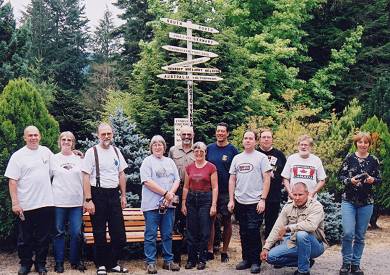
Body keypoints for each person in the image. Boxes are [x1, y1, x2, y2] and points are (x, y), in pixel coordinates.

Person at [5, 126, 54, 275]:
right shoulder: (18, 156)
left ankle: (40, 264)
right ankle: (25, 264)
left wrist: (75, 155)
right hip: (25, 205)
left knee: (43, 238)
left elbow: (59, 165)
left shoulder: (47, 152)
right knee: (24, 239)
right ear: (24, 138)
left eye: (35, 135)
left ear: (40, 136)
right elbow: (12, 181)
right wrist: (15, 203)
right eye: (30, 135)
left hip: (46, 203)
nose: (33, 138)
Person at [82, 123, 128, 275]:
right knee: (99, 231)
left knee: (119, 233)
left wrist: (123, 195)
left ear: (112, 134)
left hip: (114, 194)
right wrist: (88, 200)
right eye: (103, 134)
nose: (106, 137)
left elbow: (121, 174)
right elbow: (85, 176)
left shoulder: (116, 151)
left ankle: (113, 263)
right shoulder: (92, 152)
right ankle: (101, 264)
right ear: (98, 135)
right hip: (97, 194)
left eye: (109, 133)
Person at [228, 130, 272, 274]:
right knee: (243, 232)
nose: (247, 140)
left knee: (253, 231)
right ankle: (246, 259)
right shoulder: (237, 158)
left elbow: (267, 179)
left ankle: (255, 261)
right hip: (240, 201)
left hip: (256, 201)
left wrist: (263, 199)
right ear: (242, 141)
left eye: (250, 138)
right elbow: (232, 179)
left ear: (255, 141)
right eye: (245, 138)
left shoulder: (262, 158)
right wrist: (231, 199)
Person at [338, 132, 381, 275]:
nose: (363, 144)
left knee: (360, 235)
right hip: (348, 200)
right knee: (348, 232)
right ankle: (345, 263)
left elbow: (379, 180)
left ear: (369, 144)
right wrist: (349, 181)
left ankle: (355, 265)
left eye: (366, 142)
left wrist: (372, 180)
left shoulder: (374, 160)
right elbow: (340, 176)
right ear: (356, 143)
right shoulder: (349, 158)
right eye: (360, 142)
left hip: (366, 202)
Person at [260, 182, 327, 275]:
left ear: (307, 194)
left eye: (300, 195)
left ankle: (303, 271)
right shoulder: (288, 206)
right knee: (270, 257)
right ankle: (305, 262)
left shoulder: (316, 206)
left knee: (302, 234)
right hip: (294, 243)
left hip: (315, 245)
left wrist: (288, 228)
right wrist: (266, 248)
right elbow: (277, 227)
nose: (297, 198)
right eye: (294, 195)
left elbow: (311, 226)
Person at [140, 135, 181, 274]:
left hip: (168, 205)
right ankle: (150, 262)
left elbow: (177, 179)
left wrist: (170, 195)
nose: (158, 147)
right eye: (155, 144)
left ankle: (168, 261)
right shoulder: (147, 162)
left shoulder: (170, 161)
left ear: (164, 147)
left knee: (167, 234)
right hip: (151, 206)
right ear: (151, 147)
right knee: (151, 234)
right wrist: (165, 193)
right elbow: (147, 181)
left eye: (160, 144)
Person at [51, 131, 86, 273]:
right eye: (63, 139)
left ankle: (75, 261)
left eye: (69, 140)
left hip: (76, 204)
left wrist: (85, 200)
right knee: (58, 233)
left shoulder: (80, 159)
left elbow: (85, 181)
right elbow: (46, 179)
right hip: (58, 202)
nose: (66, 142)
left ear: (73, 143)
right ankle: (59, 263)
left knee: (76, 233)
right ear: (59, 142)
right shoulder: (52, 159)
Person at [181, 142, 218, 270]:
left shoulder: (211, 167)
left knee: (204, 231)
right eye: (196, 151)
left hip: (205, 200)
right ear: (193, 152)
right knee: (191, 231)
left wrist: (213, 205)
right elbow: (185, 187)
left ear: (205, 152)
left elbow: (215, 188)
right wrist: (183, 203)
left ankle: (202, 260)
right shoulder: (189, 168)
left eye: (201, 150)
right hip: (191, 199)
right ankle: (191, 259)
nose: (198, 153)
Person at [206, 122, 239, 262]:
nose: (220, 133)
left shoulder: (233, 151)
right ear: (215, 133)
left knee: (227, 221)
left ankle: (224, 251)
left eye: (223, 131)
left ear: (227, 133)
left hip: (226, 192)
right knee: (210, 220)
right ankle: (209, 250)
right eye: (218, 131)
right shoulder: (209, 148)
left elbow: (237, 173)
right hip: (210, 191)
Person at [168, 126, 195, 264]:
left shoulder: (197, 151)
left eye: (188, 134)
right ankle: (175, 256)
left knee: (190, 223)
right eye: (183, 134)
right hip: (176, 189)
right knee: (174, 221)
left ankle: (191, 257)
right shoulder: (173, 150)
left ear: (192, 135)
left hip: (192, 190)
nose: (186, 136)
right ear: (180, 135)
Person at [258, 128, 286, 239]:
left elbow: (285, 174)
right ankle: (256, 249)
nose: (266, 139)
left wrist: (274, 176)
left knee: (271, 223)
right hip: (257, 195)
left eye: (268, 137)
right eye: (263, 137)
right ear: (259, 139)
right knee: (255, 224)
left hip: (274, 195)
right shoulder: (255, 153)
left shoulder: (279, 155)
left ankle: (268, 249)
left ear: (272, 139)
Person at [281, 134, 326, 200]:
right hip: (294, 199)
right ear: (298, 146)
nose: (303, 147)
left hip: (310, 199)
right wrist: (290, 193)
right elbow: (285, 178)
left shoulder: (316, 160)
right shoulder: (291, 158)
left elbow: (322, 180)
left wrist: (313, 193)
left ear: (310, 146)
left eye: (306, 145)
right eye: (301, 145)